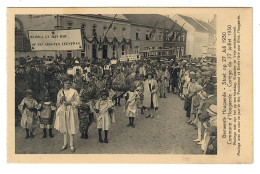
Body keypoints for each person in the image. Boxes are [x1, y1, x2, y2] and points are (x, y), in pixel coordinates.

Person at [54, 76, 80, 152]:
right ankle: (65, 144)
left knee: (71, 126)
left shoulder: (74, 91)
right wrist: (61, 100)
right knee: (64, 126)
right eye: (66, 83)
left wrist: (71, 103)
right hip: (63, 110)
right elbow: (58, 102)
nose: (67, 85)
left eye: (69, 83)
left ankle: (71, 144)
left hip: (71, 110)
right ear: (63, 84)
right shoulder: (60, 92)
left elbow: (78, 101)